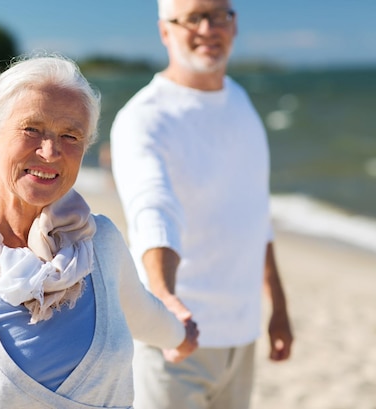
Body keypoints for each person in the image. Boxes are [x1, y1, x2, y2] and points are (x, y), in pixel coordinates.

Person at [0, 54, 198, 409]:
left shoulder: (100, 243)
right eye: (32, 129)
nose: (50, 152)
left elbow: (140, 311)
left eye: (70, 135)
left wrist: (180, 334)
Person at [110, 0, 293, 408]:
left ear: (235, 24)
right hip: (175, 337)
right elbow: (152, 210)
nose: (208, 28)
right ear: (164, 31)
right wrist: (164, 299)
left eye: (219, 15)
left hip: (242, 334)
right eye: (193, 17)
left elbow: (255, 213)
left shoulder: (241, 103)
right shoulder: (143, 117)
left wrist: (277, 306)